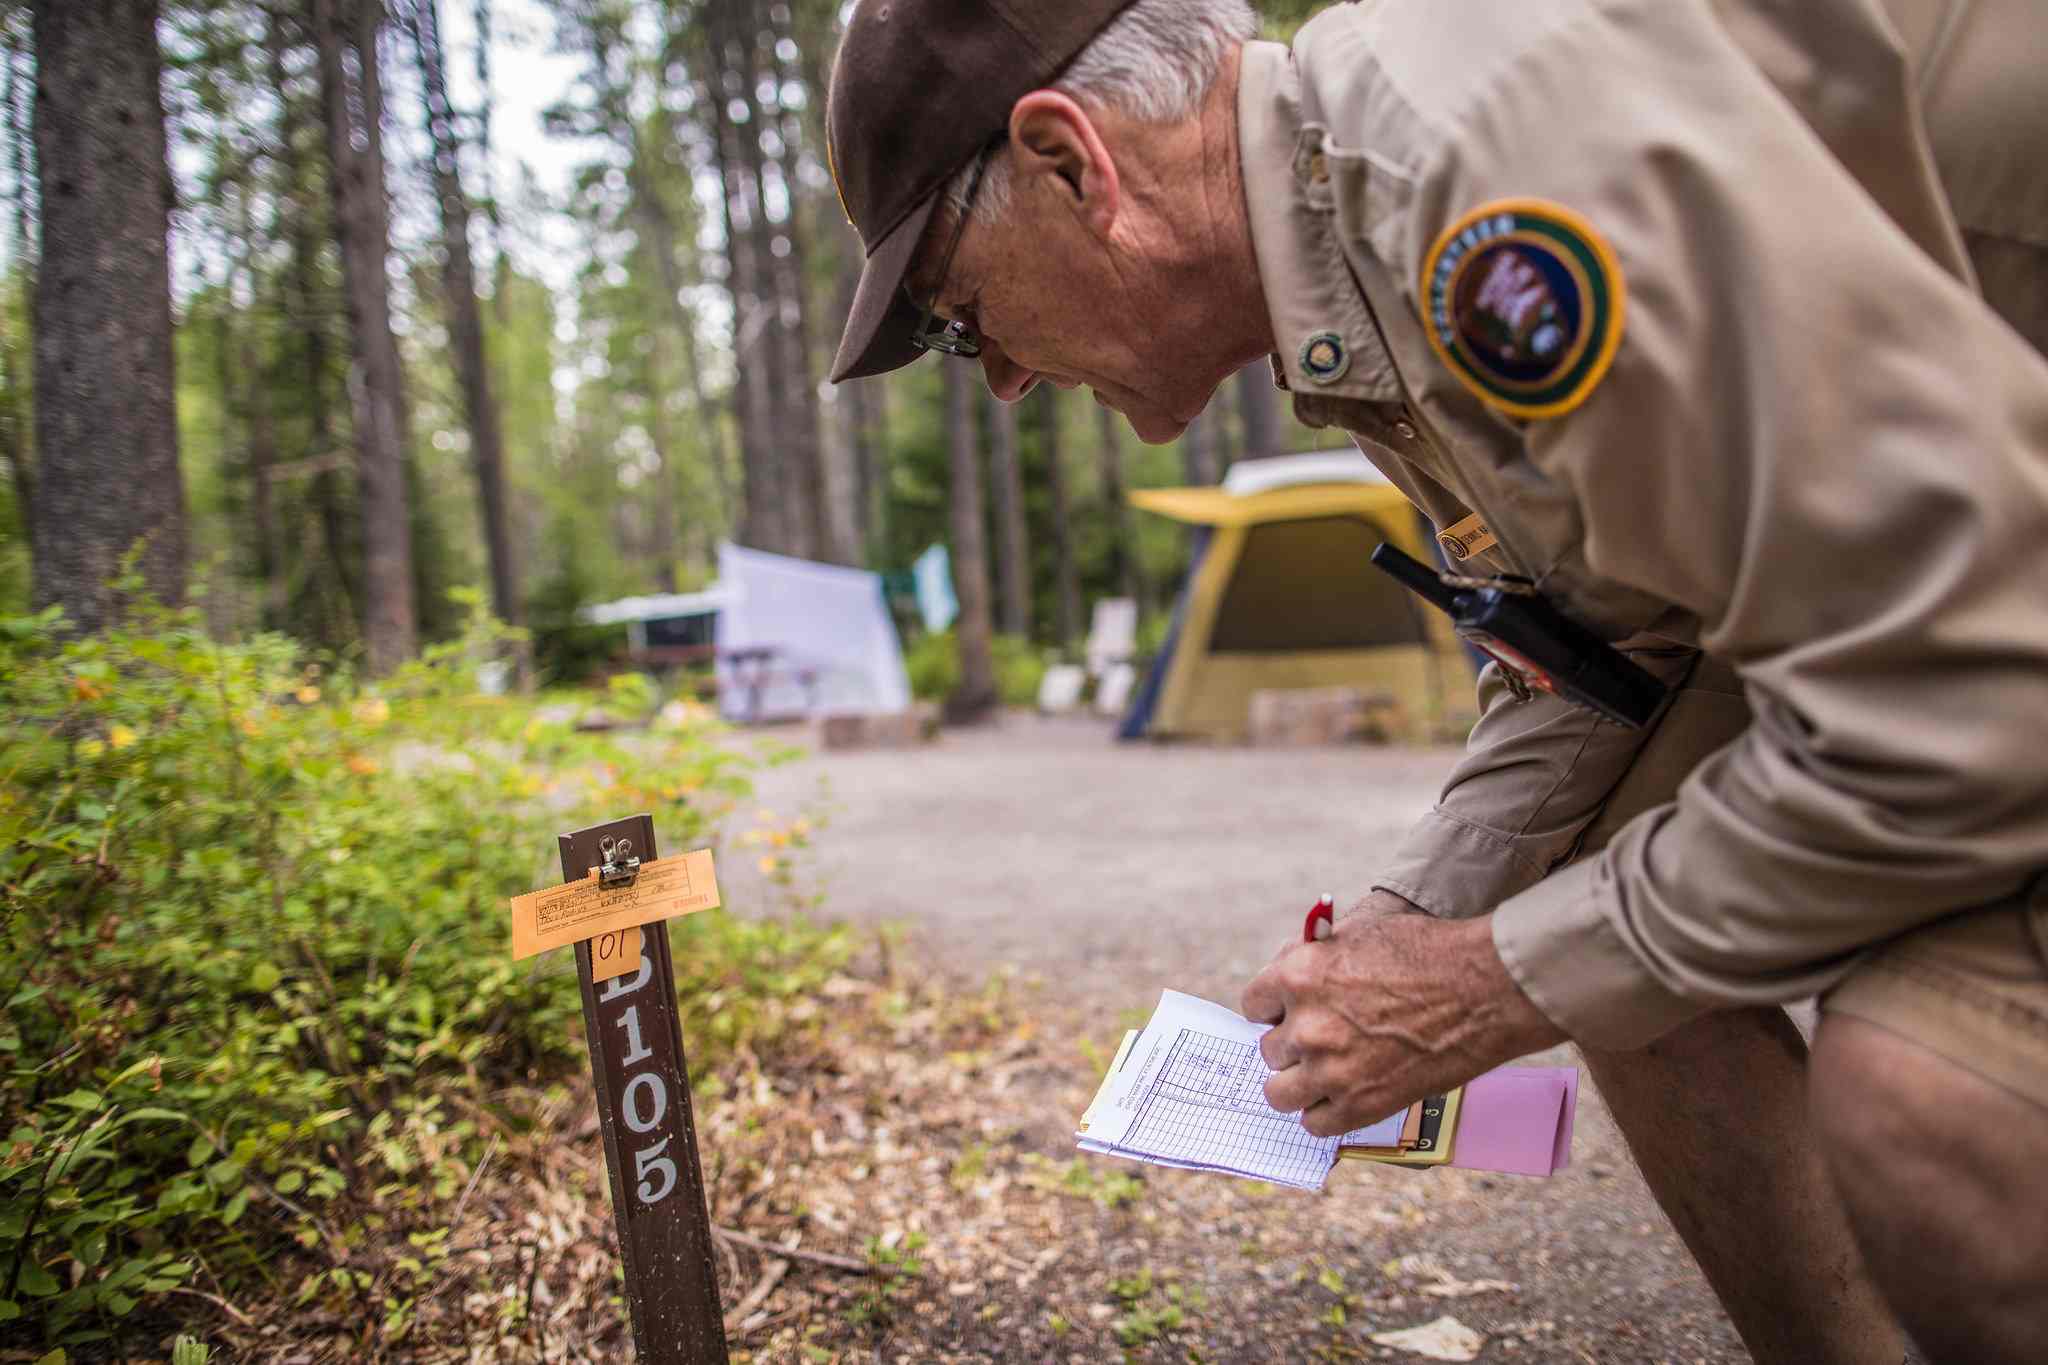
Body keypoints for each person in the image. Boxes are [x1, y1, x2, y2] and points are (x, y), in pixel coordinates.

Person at [821, 1, 2048, 1360]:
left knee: (1938, 1101)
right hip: (1987, 570)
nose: (996, 378)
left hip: (1990, 625)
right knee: (1587, 910)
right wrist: (1420, 925)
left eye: (960, 313)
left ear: (1071, 163)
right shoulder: (1356, 240)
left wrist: (1484, 984)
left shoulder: (1469, 179)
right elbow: (1613, 634)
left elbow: (1961, 702)